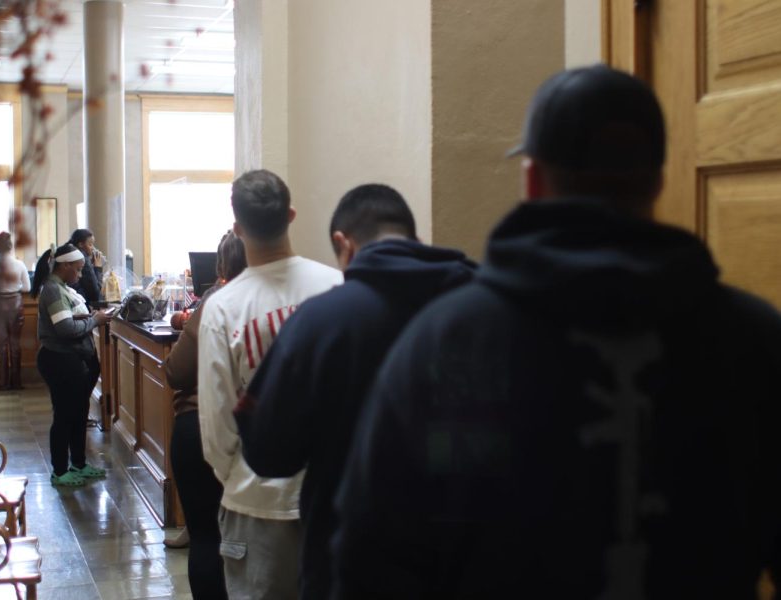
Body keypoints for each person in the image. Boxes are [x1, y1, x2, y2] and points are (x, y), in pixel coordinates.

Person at [332, 65, 781, 598]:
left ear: (532, 180)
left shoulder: (444, 341)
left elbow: (370, 557)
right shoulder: (755, 340)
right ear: (659, 179)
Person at [234, 183, 475, 598]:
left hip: (354, 562)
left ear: (343, 244)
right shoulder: (484, 306)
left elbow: (267, 452)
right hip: (472, 559)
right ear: (414, 238)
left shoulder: (320, 323)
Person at [198, 170, 342, 599]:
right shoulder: (336, 285)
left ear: (238, 230)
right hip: (331, 495)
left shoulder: (224, 308)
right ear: (291, 215)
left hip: (257, 503)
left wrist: (243, 478)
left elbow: (217, 427)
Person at [163, 230, 247, 599]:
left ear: (221, 264)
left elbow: (176, 371)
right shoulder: (279, 298)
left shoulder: (215, 301)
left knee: (206, 536)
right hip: (254, 430)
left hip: (199, 426)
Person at [32, 243, 113, 487]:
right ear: (64, 266)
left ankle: (78, 463)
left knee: (78, 413)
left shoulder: (62, 287)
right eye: (77, 270)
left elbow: (68, 318)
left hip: (72, 358)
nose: (79, 275)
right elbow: (65, 329)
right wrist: (95, 321)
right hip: (59, 359)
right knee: (65, 415)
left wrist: (86, 318)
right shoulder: (53, 290)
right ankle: (59, 470)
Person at [0, 231, 31, 390]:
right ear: (11, 246)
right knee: (15, 344)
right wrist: (15, 287)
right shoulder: (19, 265)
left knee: (1, 345)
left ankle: (2, 383)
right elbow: (27, 287)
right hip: (15, 305)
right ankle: (17, 382)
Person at [69, 228, 105, 307]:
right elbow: (96, 295)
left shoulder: (73, 254)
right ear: (81, 244)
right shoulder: (83, 258)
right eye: (90, 244)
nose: (93, 248)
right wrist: (98, 268)